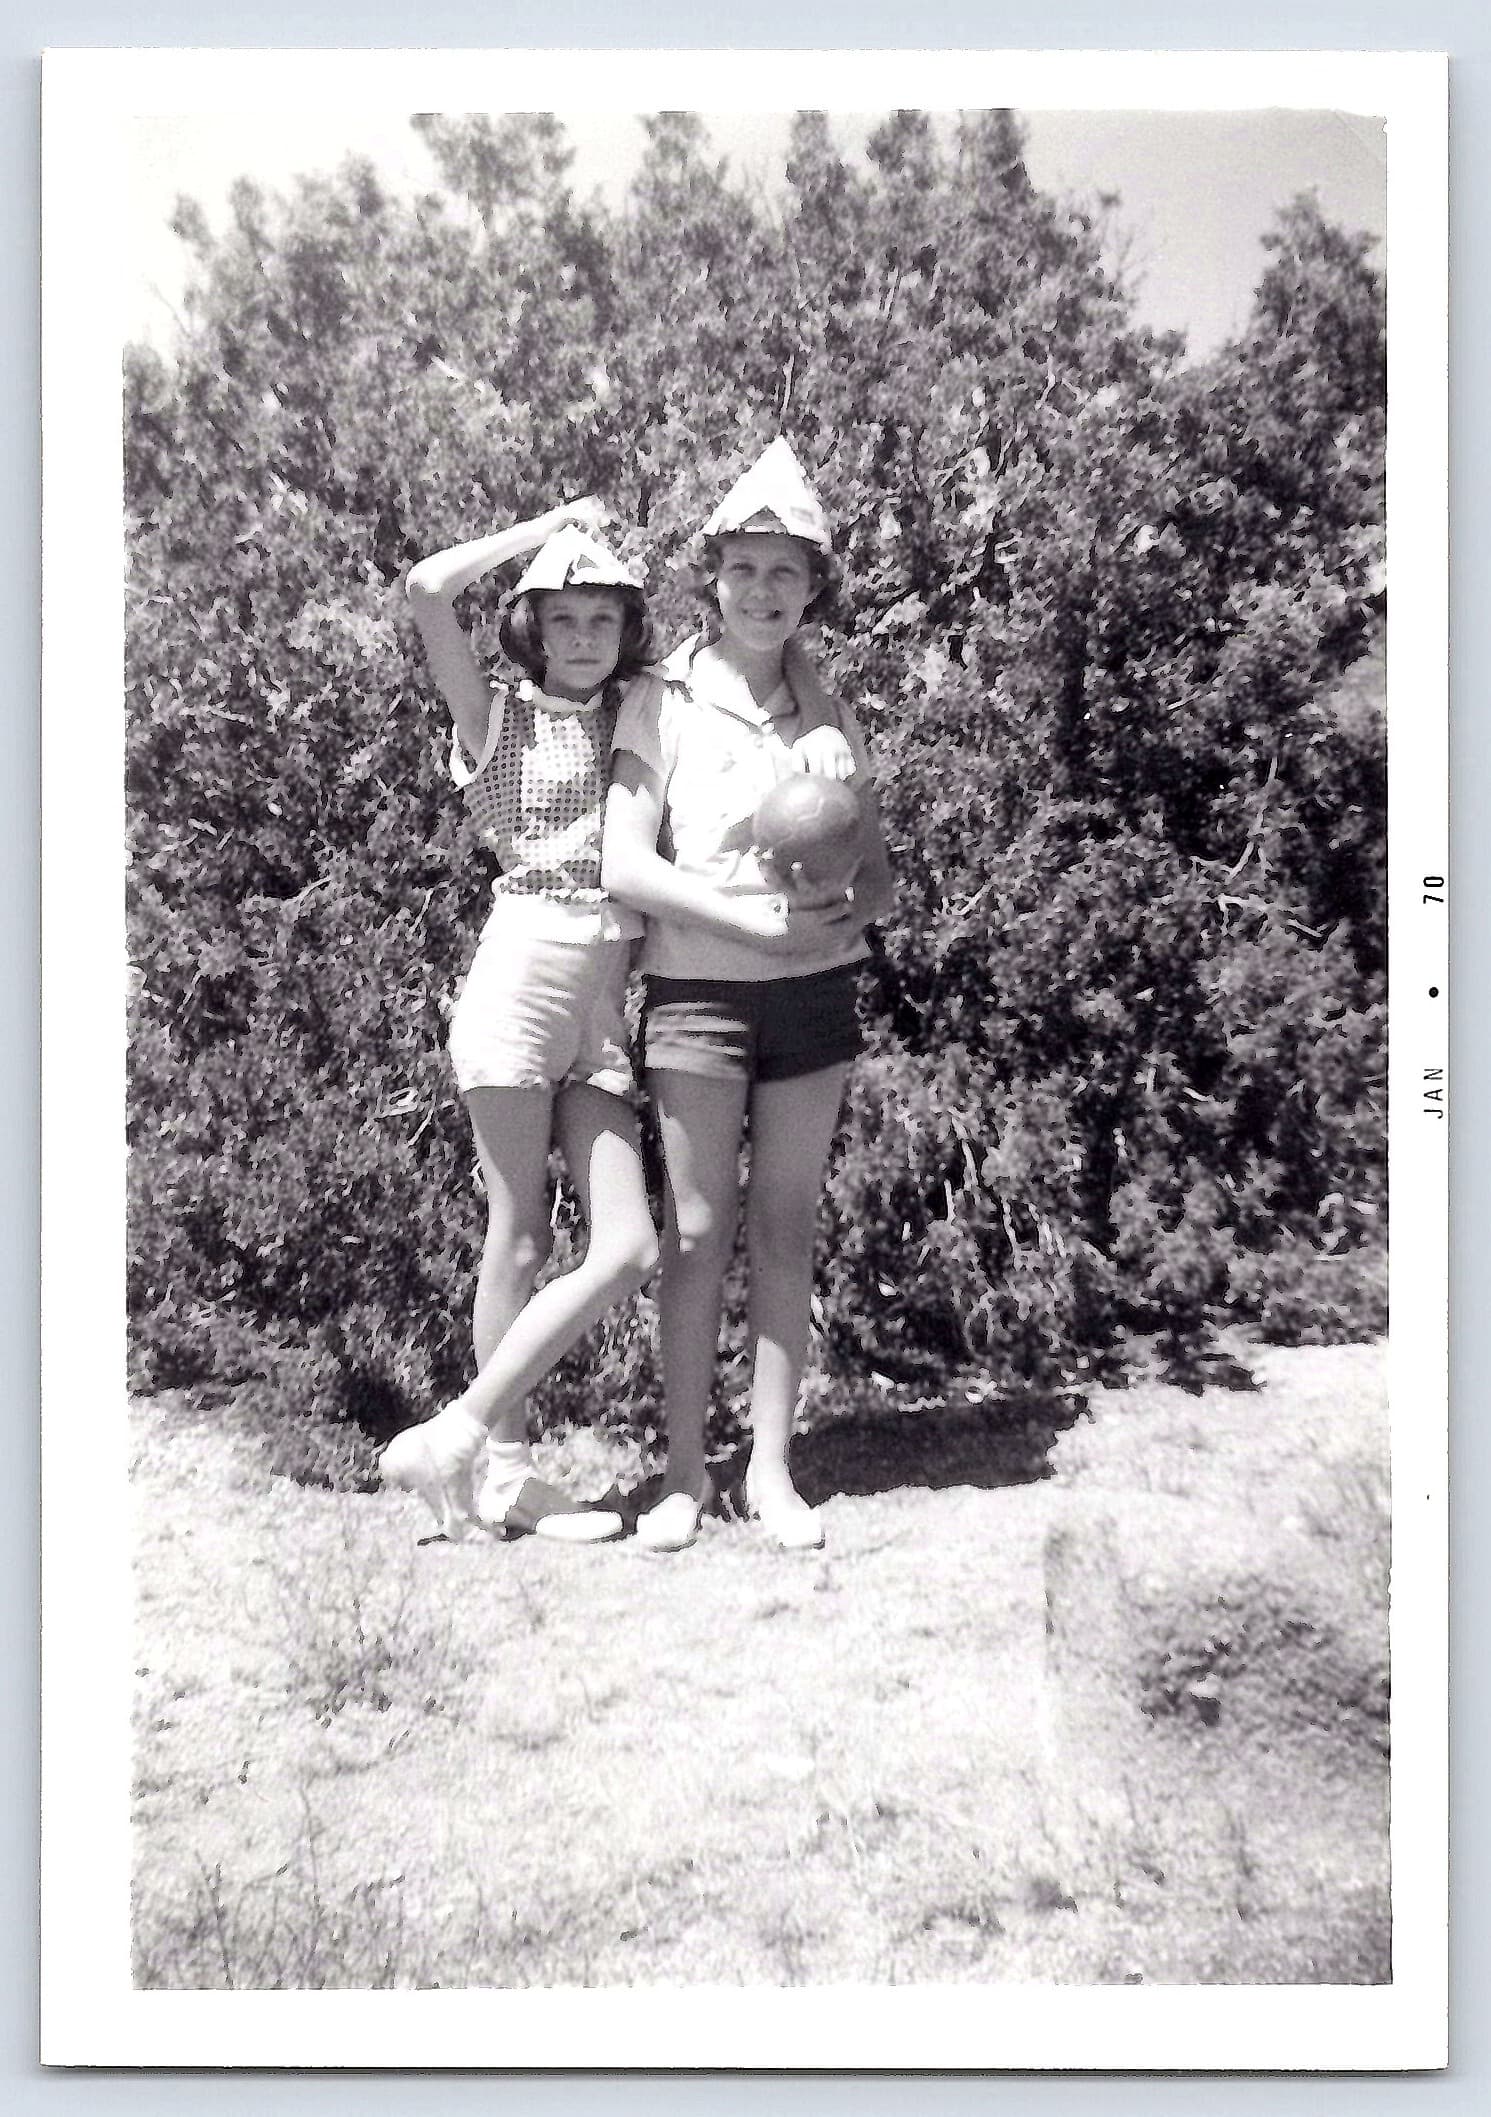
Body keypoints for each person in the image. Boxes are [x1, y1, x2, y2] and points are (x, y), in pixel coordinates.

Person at [381, 496, 854, 1545]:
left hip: (604, 1003)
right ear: (531, 630)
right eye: (561, 622)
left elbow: (769, 653)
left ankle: (459, 1436)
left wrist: (819, 716)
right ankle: (499, 1473)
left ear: (628, 631)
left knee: (630, 1246)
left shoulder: (645, 699)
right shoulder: (493, 718)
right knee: (518, 1234)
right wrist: (545, 524)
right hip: (521, 979)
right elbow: (423, 590)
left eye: (602, 620)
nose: (584, 640)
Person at [602, 440, 895, 1553]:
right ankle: (684, 1472)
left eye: (786, 571)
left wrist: (838, 916)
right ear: (712, 576)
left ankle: (771, 1470)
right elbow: (626, 865)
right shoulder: (660, 700)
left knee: (785, 1222)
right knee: (692, 1227)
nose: (762, 591)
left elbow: (877, 878)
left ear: (813, 586)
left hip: (813, 1000)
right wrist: (748, 921)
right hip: (697, 994)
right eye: (743, 569)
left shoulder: (829, 720)